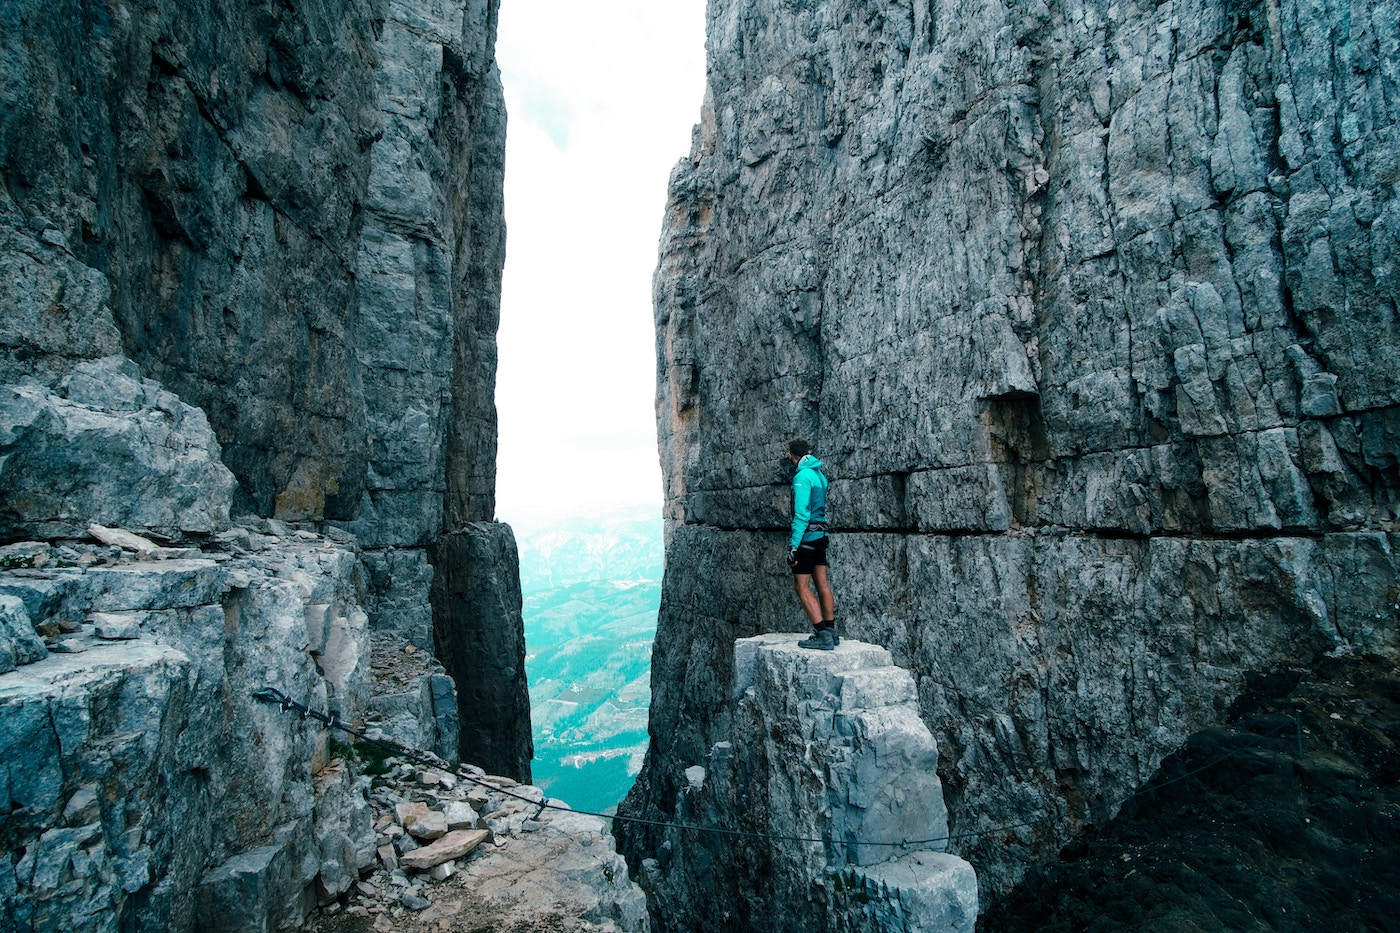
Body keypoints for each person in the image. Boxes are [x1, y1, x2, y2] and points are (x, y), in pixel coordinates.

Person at [783, 438, 838, 650]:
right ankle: (831, 631)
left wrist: (793, 546)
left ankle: (821, 634)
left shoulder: (802, 477)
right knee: (822, 584)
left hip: (806, 538)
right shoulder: (819, 475)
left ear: (791, 455)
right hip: (821, 535)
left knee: (801, 586)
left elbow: (801, 513)